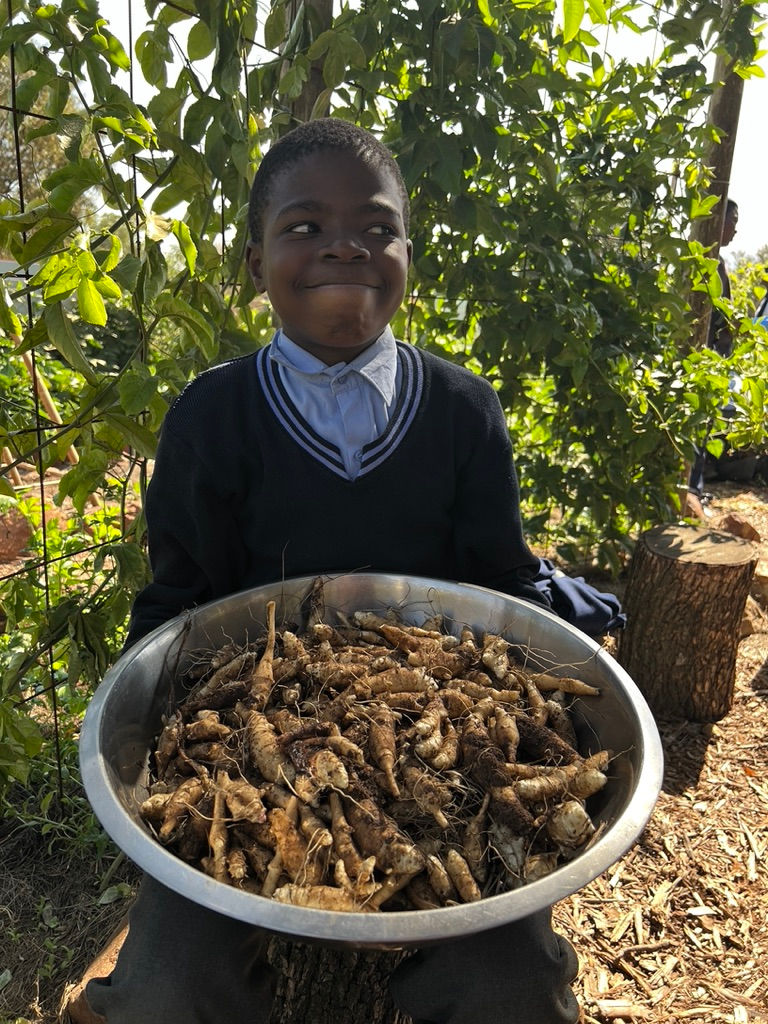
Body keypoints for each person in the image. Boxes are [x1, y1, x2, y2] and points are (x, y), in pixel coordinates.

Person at [73, 118, 581, 1024]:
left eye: (376, 227)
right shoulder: (210, 418)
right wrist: (157, 737)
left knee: (515, 988)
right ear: (255, 260)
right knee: (162, 990)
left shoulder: (465, 412)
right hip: (245, 740)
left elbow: (504, 597)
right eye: (304, 226)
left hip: (442, 740)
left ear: (408, 253)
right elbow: (177, 604)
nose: (345, 244)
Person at [685, 197, 738, 518]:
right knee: (695, 428)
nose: (737, 227)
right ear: (718, 221)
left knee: (701, 430)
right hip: (702, 363)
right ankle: (690, 491)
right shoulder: (705, 261)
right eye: (733, 219)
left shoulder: (717, 261)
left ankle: (695, 490)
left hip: (711, 362)